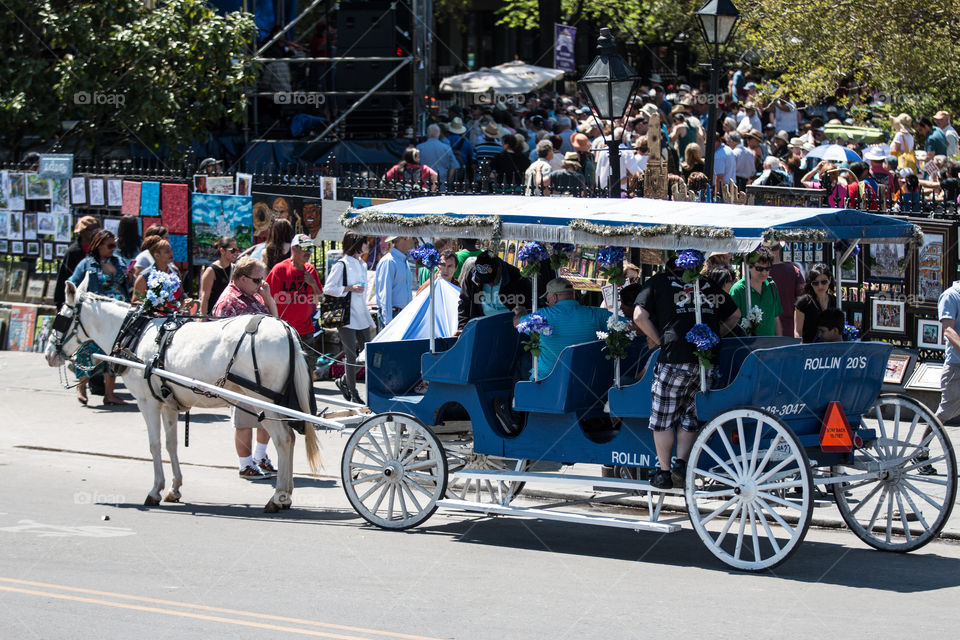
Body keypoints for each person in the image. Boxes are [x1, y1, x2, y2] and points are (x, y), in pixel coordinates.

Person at [632, 255, 741, 489]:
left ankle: (663, 472)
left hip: (674, 357)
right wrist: (716, 334)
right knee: (690, 415)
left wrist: (659, 339)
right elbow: (735, 315)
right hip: (706, 359)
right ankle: (680, 463)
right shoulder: (707, 284)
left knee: (663, 417)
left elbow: (638, 316)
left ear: (667, 267)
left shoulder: (658, 282)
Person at [211, 256, 280, 479]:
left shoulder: (255, 295)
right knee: (245, 419)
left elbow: (275, 321)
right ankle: (245, 464)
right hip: (241, 371)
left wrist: (268, 296)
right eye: (258, 280)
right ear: (241, 279)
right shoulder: (229, 302)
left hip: (260, 367)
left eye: (263, 280)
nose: (262, 284)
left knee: (265, 416)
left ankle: (260, 457)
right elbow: (220, 341)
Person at [68, 229, 130, 406]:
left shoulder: (118, 262)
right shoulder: (87, 264)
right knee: (87, 350)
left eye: (114, 245)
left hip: (115, 316)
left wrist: (116, 271)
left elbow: (127, 282)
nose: (113, 249)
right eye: (110, 245)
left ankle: (109, 394)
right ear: (99, 245)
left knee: (112, 352)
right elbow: (73, 282)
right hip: (95, 315)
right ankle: (82, 387)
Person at [513, 278, 610, 379]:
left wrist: (521, 312)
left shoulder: (543, 315)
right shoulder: (597, 314)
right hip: (588, 378)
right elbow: (625, 324)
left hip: (547, 381)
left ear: (554, 297)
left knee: (523, 362)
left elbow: (517, 323)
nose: (548, 303)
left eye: (547, 300)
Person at [325, 232, 375, 404]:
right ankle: (353, 393)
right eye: (364, 242)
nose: (368, 245)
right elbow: (329, 288)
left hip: (361, 313)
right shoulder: (342, 264)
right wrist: (349, 288)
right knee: (351, 355)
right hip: (347, 315)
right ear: (356, 244)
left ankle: (346, 381)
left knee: (367, 353)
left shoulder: (362, 264)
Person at [266, 234, 324, 374]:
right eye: (305, 248)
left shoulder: (310, 270)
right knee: (284, 368)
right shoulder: (280, 269)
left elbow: (320, 299)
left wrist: (313, 283)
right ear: (294, 249)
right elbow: (266, 296)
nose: (308, 252)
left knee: (309, 367)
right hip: (284, 330)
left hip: (306, 329)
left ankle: (307, 394)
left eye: (310, 248)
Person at [458, 250, 531, 331]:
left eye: (492, 279)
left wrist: (521, 313)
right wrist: (462, 328)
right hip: (481, 326)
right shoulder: (471, 275)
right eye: (484, 281)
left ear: (499, 268)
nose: (490, 284)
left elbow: (528, 304)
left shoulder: (516, 277)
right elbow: (464, 303)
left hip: (509, 326)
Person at [729, 246, 783, 336]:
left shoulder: (772, 286)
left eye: (768, 269)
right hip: (747, 346)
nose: (764, 273)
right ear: (749, 267)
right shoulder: (737, 290)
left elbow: (776, 318)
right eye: (759, 269)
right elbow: (732, 323)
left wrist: (779, 345)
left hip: (771, 346)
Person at [54, 215, 100, 309]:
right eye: (91, 229)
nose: (95, 232)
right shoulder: (73, 252)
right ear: (82, 232)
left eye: (97, 229)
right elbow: (64, 277)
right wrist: (60, 303)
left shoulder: (99, 249)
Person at [374, 236, 414, 328]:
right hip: (393, 314)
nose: (413, 240)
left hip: (402, 313)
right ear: (404, 238)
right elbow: (385, 293)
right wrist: (387, 320)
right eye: (411, 237)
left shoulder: (403, 261)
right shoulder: (389, 261)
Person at [766, 242, 804, 337]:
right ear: (779, 248)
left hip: (767, 329)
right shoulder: (794, 271)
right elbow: (802, 302)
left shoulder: (759, 273)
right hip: (791, 328)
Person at [132, 239, 184, 306]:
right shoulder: (144, 277)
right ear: (157, 255)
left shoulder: (175, 272)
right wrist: (154, 305)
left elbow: (182, 294)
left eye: (171, 250)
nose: (171, 253)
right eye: (167, 252)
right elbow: (135, 301)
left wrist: (187, 299)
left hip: (174, 314)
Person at [794, 264, 837, 343]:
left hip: (830, 349)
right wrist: (801, 350)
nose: (820, 286)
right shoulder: (803, 303)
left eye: (824, 282)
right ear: (811, 284)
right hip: (809, 349)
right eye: (815, 283)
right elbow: (798, 332)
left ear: (830, 280)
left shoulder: (835, 301)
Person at [198, 237, 239, 315]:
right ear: (222, 251)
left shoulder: (235, 268)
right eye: (233, 250)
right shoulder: (211, 270)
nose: (236, 253)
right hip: (213, 316)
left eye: (237, 250)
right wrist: (203, 319)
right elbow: (205, 298)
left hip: (229, 315)